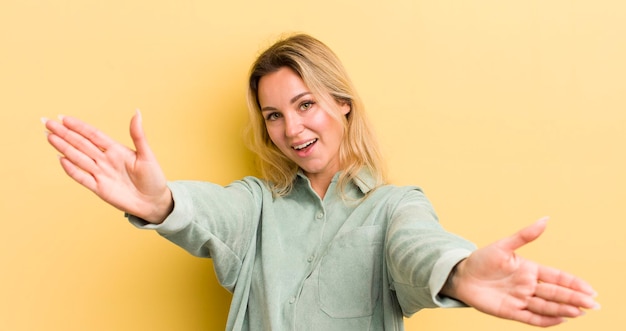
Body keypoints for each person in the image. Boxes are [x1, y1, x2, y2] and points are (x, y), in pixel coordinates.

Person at [43, 34, 599, 330]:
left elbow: (416, 247)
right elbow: (212, 212)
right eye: (274, 115)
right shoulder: (259, 204)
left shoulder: (393, 207)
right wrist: (161, 202)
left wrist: (456, 272)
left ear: (343, 106)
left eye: (305, 104)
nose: (291, 128)